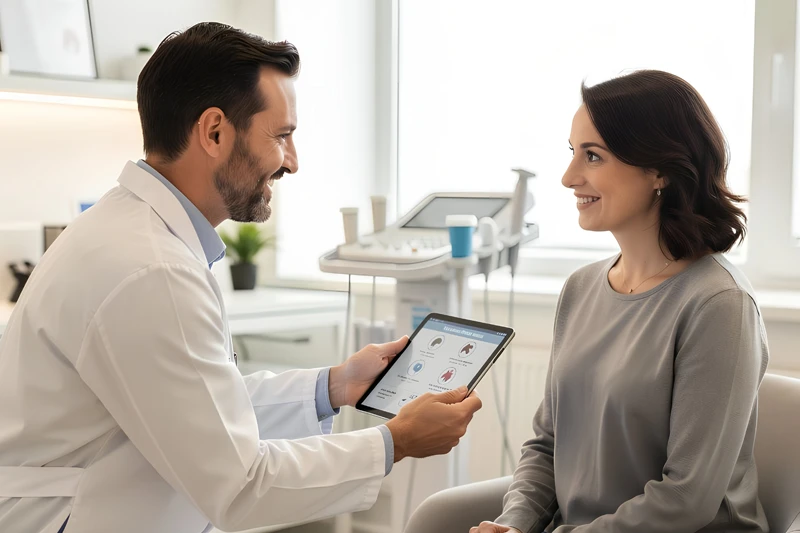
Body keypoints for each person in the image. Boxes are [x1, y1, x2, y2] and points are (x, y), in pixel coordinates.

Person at [0, 23, 482, 533]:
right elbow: (241, 487)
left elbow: (196, 405)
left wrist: (333, 387)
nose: (291, 163)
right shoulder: (150, 269)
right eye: (281, 136)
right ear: (214, 132)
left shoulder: (137, 235)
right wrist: (394, 441)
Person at [472, 70, 769, 532]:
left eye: (593, 156)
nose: (569, 177)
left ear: (661, 171)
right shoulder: (580, 288)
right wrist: (514, 524)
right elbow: (547, 447)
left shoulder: (719, 305)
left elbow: (685, 500)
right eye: (573, 153)